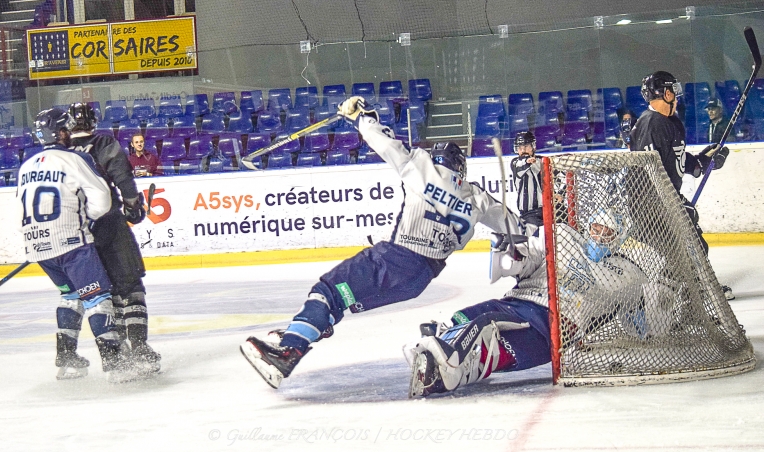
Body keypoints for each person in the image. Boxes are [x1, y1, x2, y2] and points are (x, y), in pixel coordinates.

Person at [240, 96, 524, 389]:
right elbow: (514, 225)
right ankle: (301, 332)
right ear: (460, 167)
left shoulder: (421, 167)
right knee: (342, 300)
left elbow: (386, 143)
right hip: (420, 279)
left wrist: (362, 117)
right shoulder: (477, 198)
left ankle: (288, 353)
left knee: (327, 292)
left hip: (395, 259)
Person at [406, 209, 650, 398]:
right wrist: (511, 254)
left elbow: (640, 321)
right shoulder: (562, 236)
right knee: (465, 316)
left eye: (606, 233)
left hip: (553, 323)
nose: (598, 237)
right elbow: (525, 258)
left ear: (619, 239)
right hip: (517, 299)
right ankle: (440, 357)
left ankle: (449, 364)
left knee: (487, 331)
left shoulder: (626, 273)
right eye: (596, 229)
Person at [20, 109, 134, 382]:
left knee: (70, 296)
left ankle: (67, 359)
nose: (70, 133)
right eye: (67, 129)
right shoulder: (74, 158)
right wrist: (87, 220)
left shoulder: (26, 165)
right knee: (97, 298)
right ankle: (114, 363)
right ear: (60, 133)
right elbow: (103, 199)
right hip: (72, 243)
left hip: (38, 246)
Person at [58, 103, 162, 371]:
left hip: (78, 231)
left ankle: (118, 351)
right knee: (130, 285)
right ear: (93, 122)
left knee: (102, 293)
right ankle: (139, 347)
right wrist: (132, 205)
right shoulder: (103, 142)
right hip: (109, 223)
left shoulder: (62, 153)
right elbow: (122, 175)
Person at [629, 71, 733, 300]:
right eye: (672, 90)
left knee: (692, 247)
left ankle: (686, 294)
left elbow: (675, 158)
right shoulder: (650, 124)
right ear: (664, 92)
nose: (676, 94)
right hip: (648, 208)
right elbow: (647, 174)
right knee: (684, 251)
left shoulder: (669, 121)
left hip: (662, 201)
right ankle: (678, 297)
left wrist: (703, 162)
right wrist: (672, 205)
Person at [510, 131, 543, 231]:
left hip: (547, 211)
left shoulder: (542, 161)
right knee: (536, 238)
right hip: (528, 214)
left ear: (533, 147)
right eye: (520, 148)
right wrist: (527, 161)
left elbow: (556, 176)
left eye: (526, 146)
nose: (523, 150)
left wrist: (558, 194)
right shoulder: (515, 162)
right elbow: (521, 166)